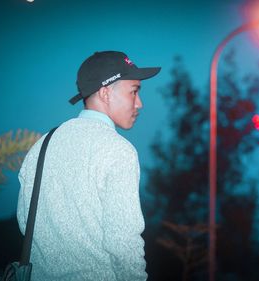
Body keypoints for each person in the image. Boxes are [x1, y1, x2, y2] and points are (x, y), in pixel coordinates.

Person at [17, 51, 160, 280]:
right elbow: (123, 242)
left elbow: (26, 225)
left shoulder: (41, 146)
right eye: (134, 91)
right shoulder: (118, 150)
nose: (140, 103)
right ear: (105, 93)